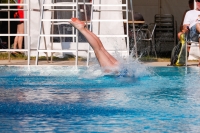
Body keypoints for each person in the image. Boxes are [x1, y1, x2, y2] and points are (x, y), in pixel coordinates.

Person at [182, 0, 200, 66]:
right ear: (196, 2)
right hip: (193, 33)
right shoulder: (190, 13)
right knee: (198, 24)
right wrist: (185, 29)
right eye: (198, 1)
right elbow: (185, 27)